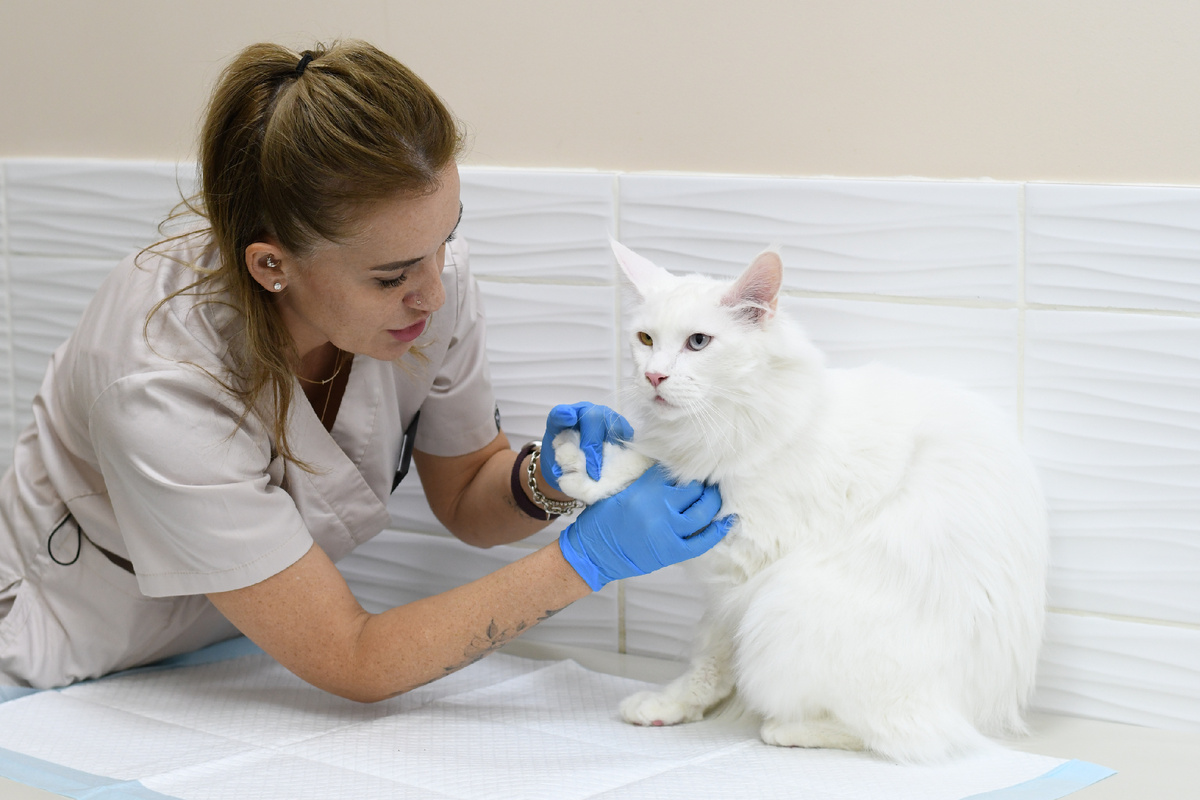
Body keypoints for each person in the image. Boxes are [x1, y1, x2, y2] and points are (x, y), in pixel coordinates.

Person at [0, 41, 731, 700]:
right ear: (272, 266)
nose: (434, 292)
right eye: (391, 276)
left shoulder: (423, 279)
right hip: (60, 655)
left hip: (226, 653)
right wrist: (589, 559)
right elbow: (354, 659)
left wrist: (546, 478)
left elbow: (467, 492)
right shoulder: (158, 380)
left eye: (444, 239)